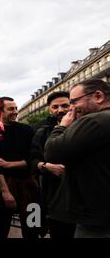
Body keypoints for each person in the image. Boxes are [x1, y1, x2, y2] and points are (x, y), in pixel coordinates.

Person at [45, 79, 110, 238]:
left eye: (74, 102)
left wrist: (61, 127)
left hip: (95, 216)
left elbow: (53, 152)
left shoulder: (94, 120)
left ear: (98, 96)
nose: (72, 108)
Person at [0, 97, 39, 239]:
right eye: (11, 109)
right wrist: (5, 192)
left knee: (33, 228)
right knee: (0, 230)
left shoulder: (27, 130)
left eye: (16, 108)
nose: (16, 112)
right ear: (0, 111)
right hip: (4, 186)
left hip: (29, 186)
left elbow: (34, 158)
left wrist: (9, 164)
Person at [29, 91, 76, 238]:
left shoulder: (86, 124)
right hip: (55, 197)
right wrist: (45, 166)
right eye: (55, 107)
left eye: (64, 105)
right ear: (49, 109)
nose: (60, 110)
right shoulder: (41, 131)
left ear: (72, 105)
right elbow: (32, 159)